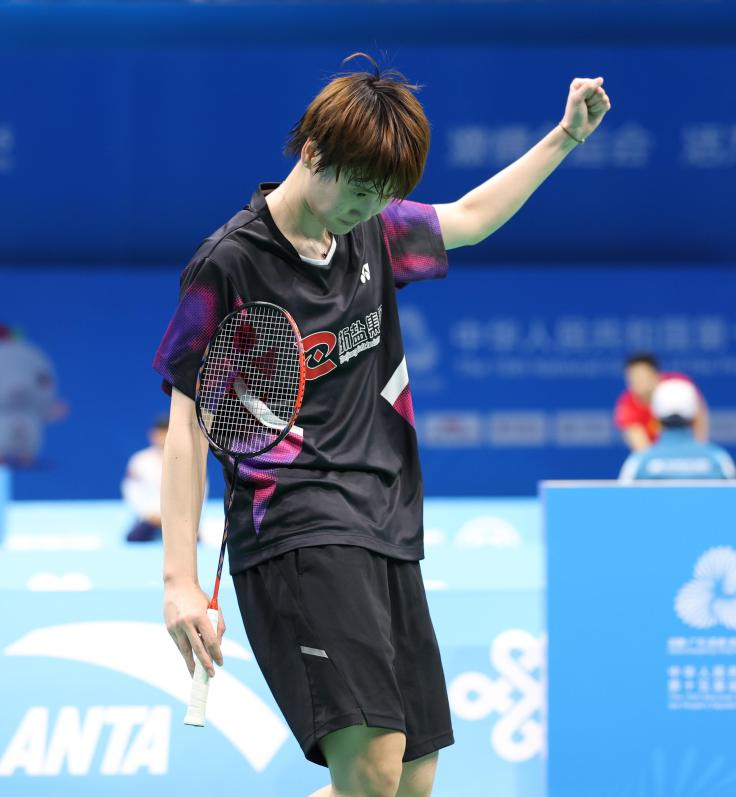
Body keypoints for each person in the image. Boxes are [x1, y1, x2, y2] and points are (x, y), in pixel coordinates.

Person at [154, 54, 611, 797]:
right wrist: (179, 580)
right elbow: (187, 422)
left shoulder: (371, 231)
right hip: (296, 525)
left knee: (409, 777)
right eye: (360, 189)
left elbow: (469, 218)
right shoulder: (230, 264)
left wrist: (565, 136)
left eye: (383, 196)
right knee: (371, 766)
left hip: (386, 522)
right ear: (313, 152)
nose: (369, 207)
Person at [619, 378, 736, 482]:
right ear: (695, 413)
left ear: (655, 414)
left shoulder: (639, 463)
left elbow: (621, 499)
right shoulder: (717, 459)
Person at [0, 325, 67, 466]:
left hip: (28, 410)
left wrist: (49, 408)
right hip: (4, 411)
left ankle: (26, 457)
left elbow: (44, 381)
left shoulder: (31, 358)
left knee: (29, 433)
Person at [614, 352, 708, 452]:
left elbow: (699, 418)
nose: (637, 383)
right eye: (632, 378)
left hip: (688, 449)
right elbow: (642, 449)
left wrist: (698, 452)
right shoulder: (626, 405)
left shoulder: (678, 386)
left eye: (641, 377)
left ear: (656, 375)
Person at [122, 415, 169, 542]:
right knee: (134, 538)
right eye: (160, 433)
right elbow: (131, 490)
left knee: (193, 541)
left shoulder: (187, 461)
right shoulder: (140, 460)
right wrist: (148, 514)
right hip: (149, 519)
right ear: (152, 435)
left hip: (178, 518)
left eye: (167, 433)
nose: (163, 437)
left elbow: (199, 491)